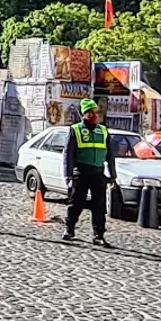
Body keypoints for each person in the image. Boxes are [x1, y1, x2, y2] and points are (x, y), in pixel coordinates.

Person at [62, 98, 116, 248]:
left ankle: (99, 235)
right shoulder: (76, 129)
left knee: (99, 206)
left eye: (97, 112)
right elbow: (69, 154)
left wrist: (113, 175)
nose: (95, 115)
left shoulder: (104, 130)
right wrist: (68, 176)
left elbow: (110, 155)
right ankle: (70, 229)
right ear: (84, 114)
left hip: (98, 173)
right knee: (76, 204)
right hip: (81, 172)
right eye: (91, 113)